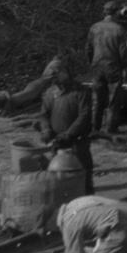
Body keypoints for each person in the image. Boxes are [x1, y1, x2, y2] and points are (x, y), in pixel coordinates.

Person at [38, 64, 95, 194]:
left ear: (65, 75)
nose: (54, 83)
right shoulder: (50, 93)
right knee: (57, 178)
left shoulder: (81, 92)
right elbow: (43, 115)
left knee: (83, 176)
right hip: (57, 143)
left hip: (78, 143)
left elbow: (84, 115)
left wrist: (69, 133)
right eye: (52, 81)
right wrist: (46, 129)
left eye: (56, 79)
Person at [83, 2, 127, 136]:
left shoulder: (94, 27)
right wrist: (125, 66)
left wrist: (92, 63)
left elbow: (88, 49)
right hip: (112, 66)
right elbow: (123, 52)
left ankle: (95, 128)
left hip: (97, 66)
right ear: (116, 13)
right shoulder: (119, 29)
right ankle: (110, 128)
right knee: (113, 99)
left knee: (97, 98)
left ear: (105, 12)